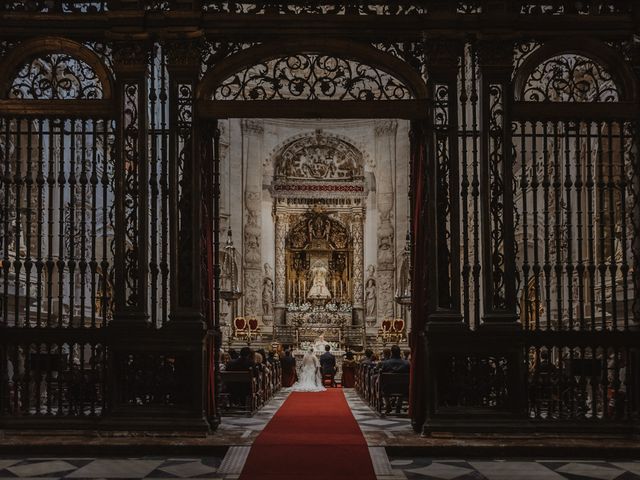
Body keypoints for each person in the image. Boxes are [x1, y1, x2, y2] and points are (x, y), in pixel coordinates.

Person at [380, 345, 410, 415]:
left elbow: (381, 375)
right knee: (403, 384)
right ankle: (398, 406)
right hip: (403, 389)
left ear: (391, 353)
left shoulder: (385, 363)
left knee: (382, 382)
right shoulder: (406, 363)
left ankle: (387, 404)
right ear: (400, 352)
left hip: (387, 389)